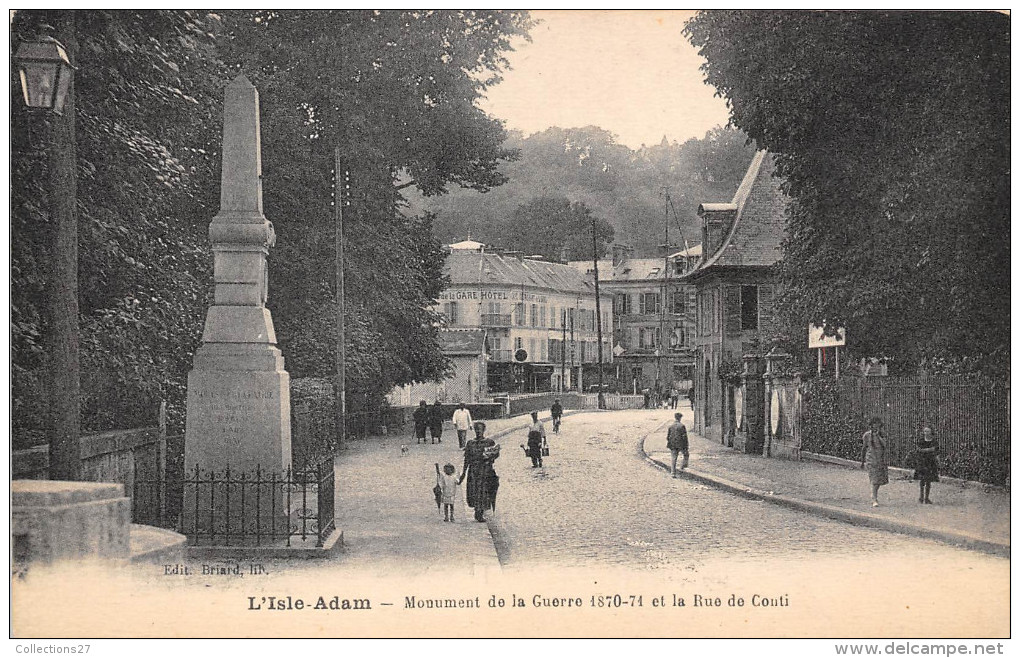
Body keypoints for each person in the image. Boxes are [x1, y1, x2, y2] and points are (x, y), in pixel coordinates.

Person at [460, 421, 500, 522]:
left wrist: (491, 455)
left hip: (485, 471)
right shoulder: (470, 443)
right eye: (476, 429)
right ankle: (477, 511)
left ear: (484, 430)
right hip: (473, 470)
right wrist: (463, 473)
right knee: (474, 491)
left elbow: (495, 455)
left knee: (483, 491)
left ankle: (480, 512)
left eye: (480, 429)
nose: (478, 431)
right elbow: (467, 459)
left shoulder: (489, 442)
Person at [860, 417, 889, 507]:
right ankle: (874, 498)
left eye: (878, 424)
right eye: (874, 424)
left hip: (880, 459)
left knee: (879, 480)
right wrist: (862, 461)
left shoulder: (882, 434)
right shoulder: (867, 435)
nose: (876, 426)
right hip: (871, 459)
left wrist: (878, 436)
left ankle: (874, 493)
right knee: (874, 479)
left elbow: (885, 445)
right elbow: (864, 448)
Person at [913, 426, 939, 504]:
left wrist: (937, 459)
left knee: (928, 481)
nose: (926, 433)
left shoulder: (934, 441)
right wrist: (929, 450)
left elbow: (936, 450)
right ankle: (921, 497)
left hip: (930, 462)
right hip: (922, 461)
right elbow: (918, 450)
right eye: (925, 431)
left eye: (928, 431)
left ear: (931, 432)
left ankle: (927, 498)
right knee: (922, 480)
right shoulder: (921, 441)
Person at [666, 412, 689, 477]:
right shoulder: (682, 426)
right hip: (681, 444)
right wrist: (686, 445)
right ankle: (682, 467)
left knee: (674, 458)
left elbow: (668, 437)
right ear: (680, 418)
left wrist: (670, 442)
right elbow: (684, 437)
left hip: (672, 444)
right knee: (686, 454)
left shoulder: (670, 426)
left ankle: (673, 473)